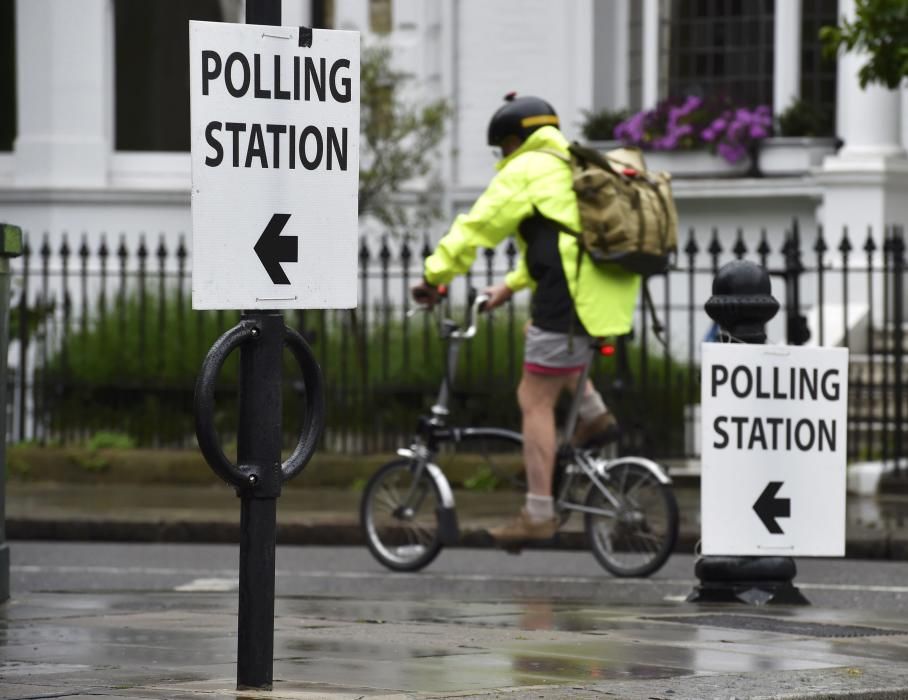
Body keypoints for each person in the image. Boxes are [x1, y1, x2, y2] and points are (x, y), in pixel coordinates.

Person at [411, 93, 640, 544]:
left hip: (568, 300)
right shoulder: (569, 163)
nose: (503, 156)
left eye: (503, 147)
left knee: (533, 398)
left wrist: (434, 275)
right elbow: (560, 241)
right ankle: (594, 415)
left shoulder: (527, 168)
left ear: (516, 139)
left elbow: (478, 225)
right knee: (539, 338)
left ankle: (538, 511)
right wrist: (509, 287)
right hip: (602, 296)